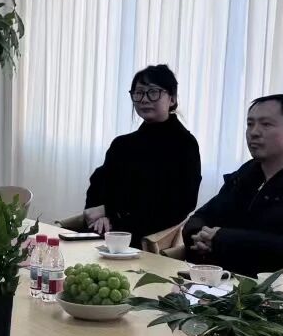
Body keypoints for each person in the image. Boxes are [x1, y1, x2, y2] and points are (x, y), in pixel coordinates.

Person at [183, 95, 283, 275]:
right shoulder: (246, 175)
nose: (254, 132)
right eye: (250, 124)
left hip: (263, 288)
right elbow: (201, 217)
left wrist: (222, 239)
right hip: (214, 277)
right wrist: (199, 236)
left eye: (266, 124)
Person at [79, 65, 202, 243]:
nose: (144, 99)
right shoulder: (122, 144)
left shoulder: (185, 145)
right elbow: (99, 184)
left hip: (147, 238)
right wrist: (100, 217)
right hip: (105, 232)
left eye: (153, 92)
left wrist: (110, 212)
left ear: (172, 99)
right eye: (138, 93)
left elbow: (178, 204)